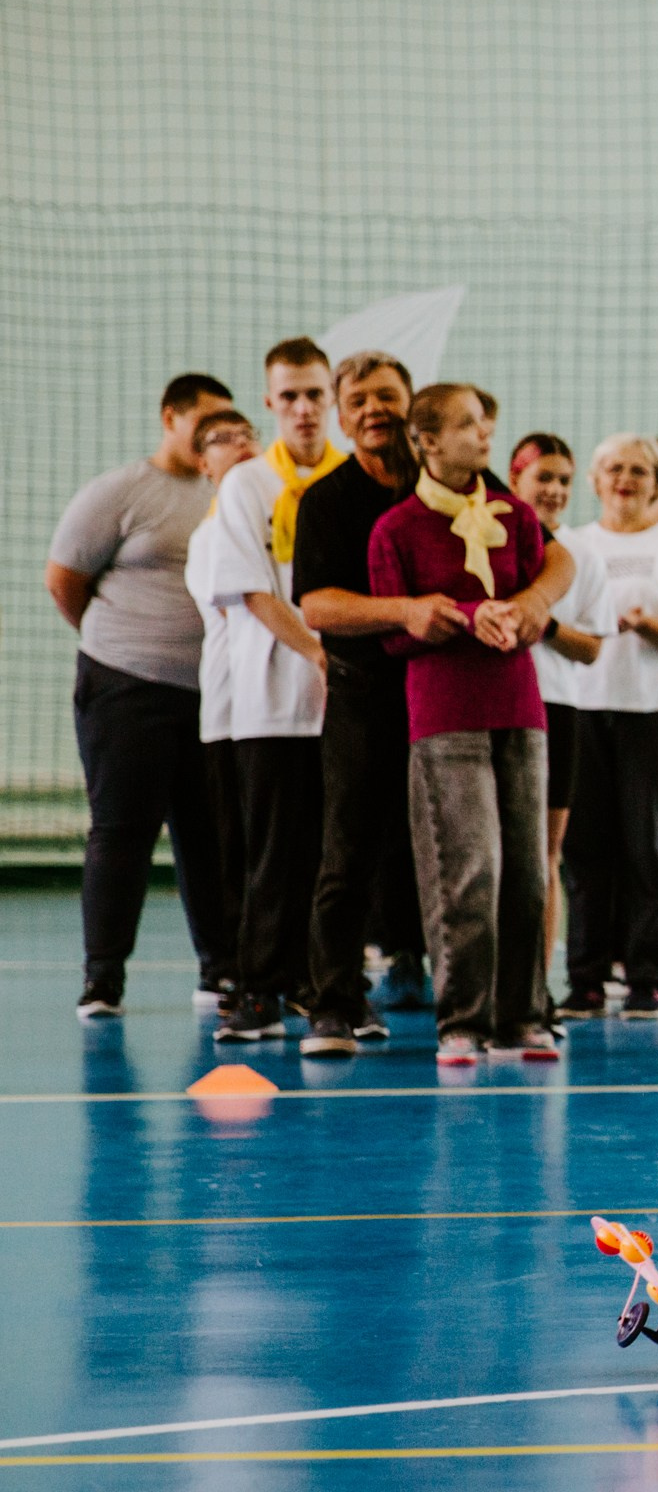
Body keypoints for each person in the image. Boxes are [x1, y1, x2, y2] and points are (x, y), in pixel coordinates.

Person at [294, 352, 575, 1056]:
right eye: (359, 399)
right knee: (358, 852)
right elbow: (318, 606)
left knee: (511, 863)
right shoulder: (335, 502)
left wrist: (530, 604)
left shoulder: (490, 496)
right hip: (377, 695)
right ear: (343, 415)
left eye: (387, 395)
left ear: (410, 407)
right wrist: (411, 611)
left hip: (490, 697)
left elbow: (554, 558)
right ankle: (338, 1002)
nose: (374, 409)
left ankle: (514, 1005)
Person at [369, 385, 556, 1066]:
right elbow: (395, 634)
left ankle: (523, 1016)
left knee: (527, 874)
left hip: (519, 707)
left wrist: (521, 613)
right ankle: (463, 1019)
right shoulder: (396, 529)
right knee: (469, 872)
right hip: (446, 714)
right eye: (470, 425)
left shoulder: (517, 516)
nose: (485, 436)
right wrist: (459, 615)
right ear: (427, 441)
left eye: (485, 424)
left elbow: (538, 591)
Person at [45, 372, 239, 1019]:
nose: (214, 435)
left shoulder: (231, 495)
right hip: (124, 689)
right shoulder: (120, 491)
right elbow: (64, 579)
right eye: (203, 422)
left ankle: (221, 972)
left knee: (209, 835)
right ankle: (103, 980)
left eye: (225, 425)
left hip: (210, 697)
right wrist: (124, 648)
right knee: (123, 830)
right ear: (170, 417)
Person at [207, 340, 346, 1043]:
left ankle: (329, 990)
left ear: (332, 399)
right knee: (271, 854)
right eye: (289, 396)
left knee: (338, 856)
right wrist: (318, 650)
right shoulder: (247, 484)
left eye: (314, 394)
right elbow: (254, 591)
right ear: (270, 402)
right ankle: (259, 989)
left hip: (343, 703)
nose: (303, 408)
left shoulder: (352, 481)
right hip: (269, 698)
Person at [556, 435, 658, 1022]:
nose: (626, 479)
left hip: (654, 714)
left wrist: (647, 625)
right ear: (596, 480)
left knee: (650, 850)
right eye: (615, 469)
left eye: (639, 470)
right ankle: (586, 979)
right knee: (584, 851)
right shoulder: (572, 544)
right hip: (583, 710)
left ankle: (646, 978)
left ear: (656, 482)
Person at [510, 434, 602, 1012]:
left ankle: (534, 990)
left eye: (564, 480)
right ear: (514, 479)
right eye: (543, 477)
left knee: (544, 856)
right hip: (493, 707)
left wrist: (541, 623)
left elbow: (591, 647)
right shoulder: (489, 540)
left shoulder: (580, 556)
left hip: (557, 710)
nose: (554, 490)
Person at [184, 410, 261, 1040]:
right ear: (202, 462)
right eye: (223, 441)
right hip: (232, 712)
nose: (240, 446)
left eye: (247, 436)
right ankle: (240, 969)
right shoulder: (211, 536)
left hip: (284, 714)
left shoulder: (276, 519)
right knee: (237, 847)